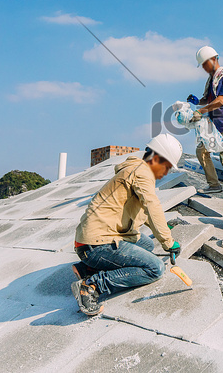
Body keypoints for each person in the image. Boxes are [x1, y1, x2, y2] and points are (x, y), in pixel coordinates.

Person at [70, 133, 183, 316]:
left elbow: (145, 214)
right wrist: (168, 242)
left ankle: (88, 268)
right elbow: (152, 206)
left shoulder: (136, 169)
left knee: (146, 244)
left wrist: (163, 235)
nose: (166, 173)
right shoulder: (142, 173)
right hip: (96, 243)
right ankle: (92, 286)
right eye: (167, 167)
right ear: (157, 159)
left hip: (94, 238)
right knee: (155, 268)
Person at [187, 45, 223, 198]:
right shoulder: (213, 78)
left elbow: (220, 101)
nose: (204, 67)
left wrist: (201, 111)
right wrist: (199, 101)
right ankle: (214, 185)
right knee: (201, 151)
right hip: (216, 125)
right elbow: (210, 99)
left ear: (213, 59)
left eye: (205, 63)